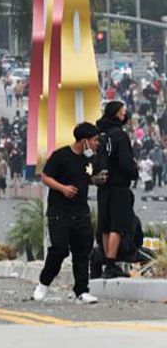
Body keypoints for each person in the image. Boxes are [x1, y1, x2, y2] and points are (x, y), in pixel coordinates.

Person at [33, 122, 104, 304]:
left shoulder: (89, 160)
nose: (97, 143)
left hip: (81, 213)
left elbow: (86, 178)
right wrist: (63, 188)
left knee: (82, 252)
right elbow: (46, 177)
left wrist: (96, 180)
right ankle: (43, 284)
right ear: (84, 140)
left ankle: (82, 291)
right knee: (59, 250)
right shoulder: (60, 156)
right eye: (95, 140)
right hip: (59, 213)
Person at [96, 101, 139, 279]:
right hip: (119, 186)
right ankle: (112, 264)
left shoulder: (100, 134)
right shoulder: (120, 136)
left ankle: (108, 263)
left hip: (103, 186)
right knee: (118, 226)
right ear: (116, 114)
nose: (125, 115)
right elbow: (126, 162)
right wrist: (134, 171)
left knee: (105, 225)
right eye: (122, 112)